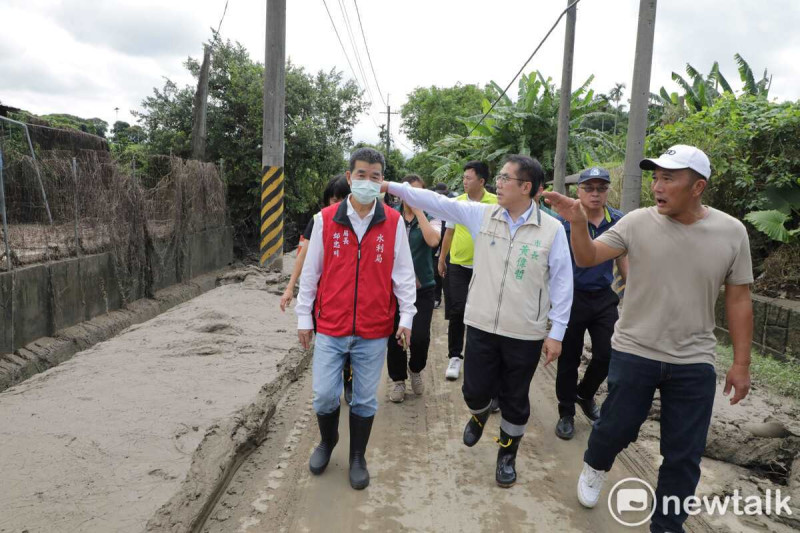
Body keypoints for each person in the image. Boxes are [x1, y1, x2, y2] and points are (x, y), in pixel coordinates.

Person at [544, 145, 753, 533]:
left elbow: (739, 298)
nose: (657, 186)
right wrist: (575, 221)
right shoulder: (637, 222)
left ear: (697, 186)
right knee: (616, 429)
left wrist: (741, 363)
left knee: (684, 455)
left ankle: (667, 526)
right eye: (655, 177)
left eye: (668, 178)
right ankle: (595, 463)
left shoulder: (731, 232)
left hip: (695, 360)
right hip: (635, 350)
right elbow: (588, 256)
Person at [382, 154, 573, 488]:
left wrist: (556, 332)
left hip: (525, 332)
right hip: (482, 325)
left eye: (505, 178)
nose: (497, 183)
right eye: (498, 177)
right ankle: (480, 413)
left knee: (515, 399)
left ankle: (507, 456)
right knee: (474, 391)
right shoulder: (481, 216)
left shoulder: (552, 230)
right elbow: (435, 201)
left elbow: (562, 283)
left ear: (526, 187)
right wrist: (389, 186)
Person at [295, 147, 417, 490]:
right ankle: (327, 440)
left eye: (375, 176)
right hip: (331, 325)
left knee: (363, 398)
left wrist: (406, 316)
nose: (367, 181)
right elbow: (311, 274)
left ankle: (357, 456)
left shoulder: (393, 223)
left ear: (382, 182)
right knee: (323, 394)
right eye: (361, 174)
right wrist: (304, 317)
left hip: (373, 327)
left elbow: (403, 276)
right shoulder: (325, 219)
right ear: (349, 178)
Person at [554, 167, 628, 440]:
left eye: (601, 188)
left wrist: (633, 290)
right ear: (578, 191)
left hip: (603, 297)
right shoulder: (564, 223)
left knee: (608, 355)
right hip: (571, 298)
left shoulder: (619, 221)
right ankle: (566, 413)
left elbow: (623, 258)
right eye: (589, 188)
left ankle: (584, 394)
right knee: (568, 359)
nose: (596, 194)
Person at [280, 175, 355, 403]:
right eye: (334, 200)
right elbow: (303, 255)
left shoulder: (361, 220)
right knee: (330, 341)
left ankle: (349, 378)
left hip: (353, 294)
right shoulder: (319, 220)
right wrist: (290, 287)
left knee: (352, 341)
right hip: (326, 296)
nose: (338, 205)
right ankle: (331, 385)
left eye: (343, 199)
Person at [438, 161, 497, 381]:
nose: (464, 181)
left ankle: (479, 356)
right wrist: (442, 258)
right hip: (458, 265)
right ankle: (455, 356)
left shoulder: (495, 203)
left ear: (482, 181)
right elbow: (449, 233)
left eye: (468, 178)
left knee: (482, 312)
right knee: (458, 309)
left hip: (486, 266)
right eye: (463, 178)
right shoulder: (457, 203)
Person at [387, 175, 441, 403]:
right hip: (393, 289)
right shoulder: (389, 216)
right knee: (394, 336)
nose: (412, 197)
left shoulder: (432, 216)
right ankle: (398, 381)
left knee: (419, 337)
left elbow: (433, 241)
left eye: (417, 193)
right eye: (408, 192)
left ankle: (415, 369)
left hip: (424, 288)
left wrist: (419, 212)